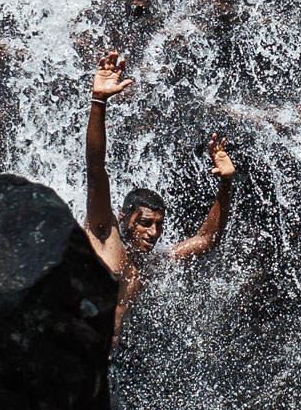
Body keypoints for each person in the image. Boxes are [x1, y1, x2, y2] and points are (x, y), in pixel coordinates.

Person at [83, 51, 235, 333]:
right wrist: (99, 101)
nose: (153, 233)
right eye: (145, 223)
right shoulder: (103, 233)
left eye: (158, 225)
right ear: (124, 217)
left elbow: (207, 239)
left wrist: (226, 183)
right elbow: (95, 168)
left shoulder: (150, 264)